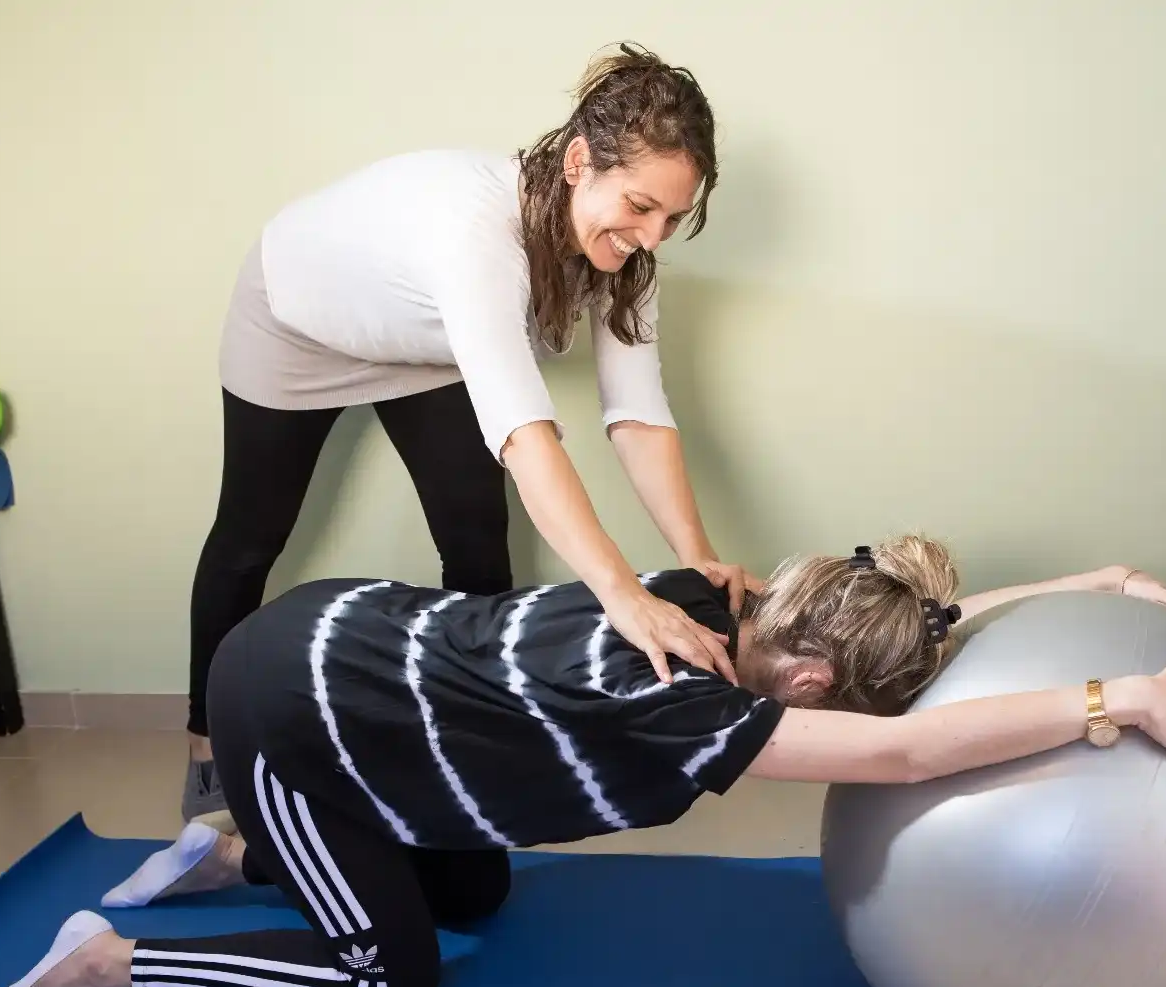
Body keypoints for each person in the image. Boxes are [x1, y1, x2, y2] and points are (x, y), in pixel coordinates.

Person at [0, 533, 1166, 987]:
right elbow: (902, 749)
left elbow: (900, 624)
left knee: (473, 890)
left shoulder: (718, 594)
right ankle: (116, 958)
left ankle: (246, 855)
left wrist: (1086, 589)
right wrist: (1121, 693)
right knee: (391, 972)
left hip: (357, 638)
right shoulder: (686, 708)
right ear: (813, 686)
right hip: (290, 706)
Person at [183, 42, 758, 829]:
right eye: (637, 206)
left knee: (477, 533)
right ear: (580, 161)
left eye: (670, 217)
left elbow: (636, 414)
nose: (652, 236)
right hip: (297, 326)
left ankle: (477, 729)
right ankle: (205, 751)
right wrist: (623, 598)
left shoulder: (627, 259)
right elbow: (525, 436)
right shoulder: (477, 235)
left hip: (422, 344)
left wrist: (695, 557)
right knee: (249, 538)